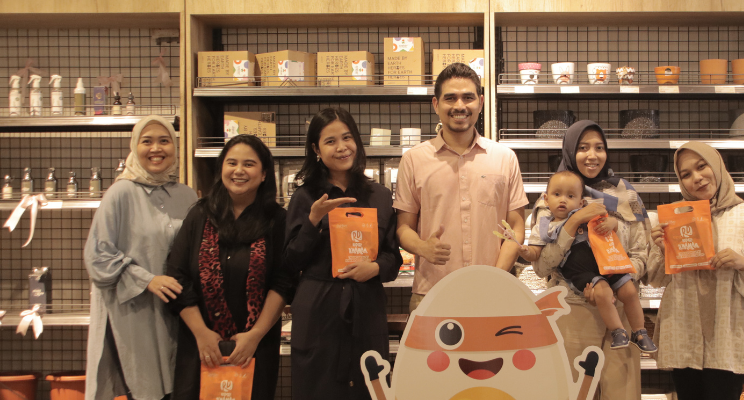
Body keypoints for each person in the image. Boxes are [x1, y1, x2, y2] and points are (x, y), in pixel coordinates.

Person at [284, 108, 402, 400]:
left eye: (347, 138)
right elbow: (290, 261)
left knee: (367, 384)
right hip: (319, 308)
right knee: (318, 388)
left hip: (366, 305)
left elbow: (393, 258)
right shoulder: (305, 197)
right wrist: (313, 220)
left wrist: (375, 268)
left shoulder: (379, 195)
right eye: (330, 141)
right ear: (316, 149)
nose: (341, 147)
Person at [646, 141, 744, 400]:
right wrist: (663, 250)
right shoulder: (673, 219)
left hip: (727, 331)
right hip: (683, 327)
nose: (696, 178)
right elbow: (655, 279)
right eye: (686, 174)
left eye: (701, 166)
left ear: (717, 166)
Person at [528, 120, 650, 399]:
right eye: (582, 148)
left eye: (599, 147)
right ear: (570, 151)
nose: (592, 155)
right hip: (572, 309)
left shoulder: (626, 194)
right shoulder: (552, 197)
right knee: (574, 392)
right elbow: (542, 267)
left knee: (621, 393)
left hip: (622, 309)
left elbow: (642, 253)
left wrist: (619, 281)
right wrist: (573, 223)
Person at [166, 135, 294, 400]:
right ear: (221, 168)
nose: (239, 171)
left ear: (264, 174)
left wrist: (255, 335)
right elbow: (177, 275)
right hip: (201, 346)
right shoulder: (200, 215)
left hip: (254, 347)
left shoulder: (277, 220)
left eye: (249, 164)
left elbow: (284, 281)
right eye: (231, 163)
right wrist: (201, 333)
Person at [394, 62, 527, 311]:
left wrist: (496, 278)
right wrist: (423, 247)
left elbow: (516, 227)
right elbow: (403, 227)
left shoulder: (505, 158)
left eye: (468, 97)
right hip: (432, 293)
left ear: (481, 102)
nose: (459, 106)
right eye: (450, 98)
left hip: (493, 293)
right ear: (436, 104)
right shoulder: (413, 160)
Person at [83, 115, 197, 400]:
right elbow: (98, 257)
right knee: (146, 388)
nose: (156, 148)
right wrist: (147, 280)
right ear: (135, 146)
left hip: (179, 310)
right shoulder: (120, 193)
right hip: (136, 311)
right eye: (147, 141)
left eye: (164, 141)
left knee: (179, 385)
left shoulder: (186, 195)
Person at [520, 171, 656, 352]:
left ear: (581, 202)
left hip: (607, 266)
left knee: (629, 290)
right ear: (546, 198)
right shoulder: (544, 225)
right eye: (557, 194)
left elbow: (632, 247)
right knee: (602, 292)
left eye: (570, 196)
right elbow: (538, 262)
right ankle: (618, 331)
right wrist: (525, 251)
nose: (563, 200)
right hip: (576, 288)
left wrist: (614, 223)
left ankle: (640, 332)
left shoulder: (596, 211)